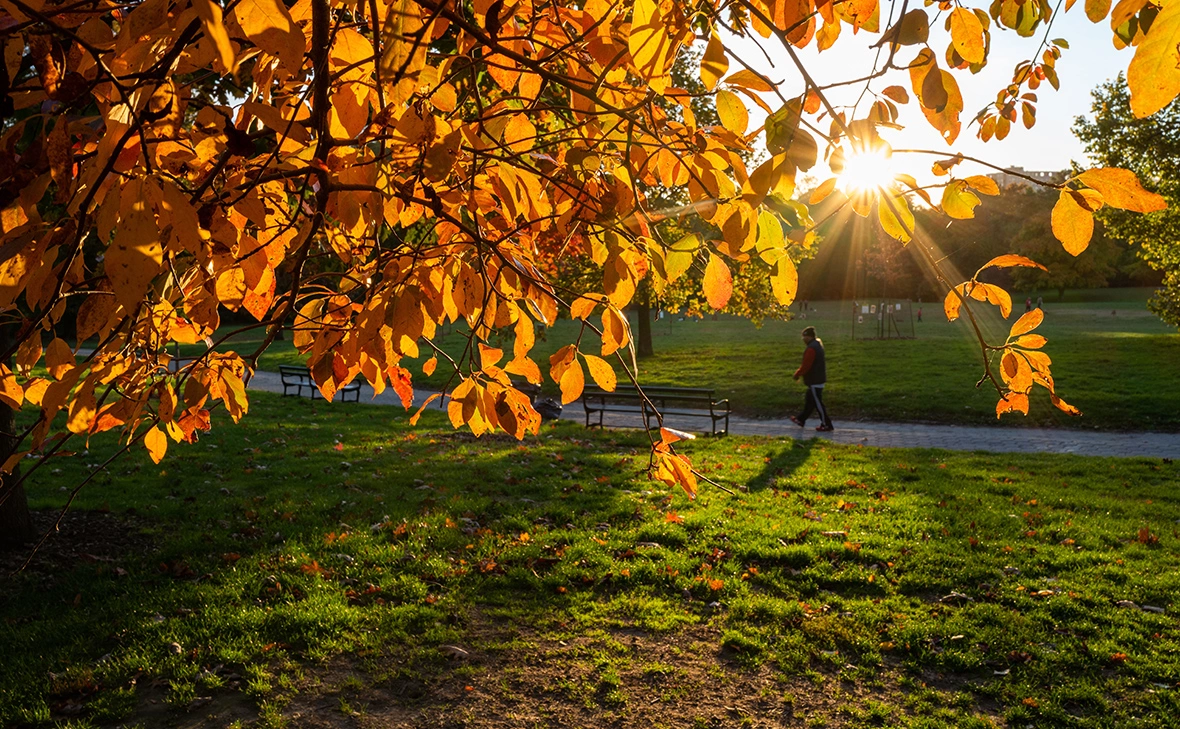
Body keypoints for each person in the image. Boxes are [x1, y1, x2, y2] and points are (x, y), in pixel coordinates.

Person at [789, 326, 833, 432]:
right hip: (818, 378)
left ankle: (826, 424)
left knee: (818, 403)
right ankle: (801, 419)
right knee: (810, 401)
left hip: (815, 380)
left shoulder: (811, 348)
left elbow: (806, 365)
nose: (803, 339)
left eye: (804, 337)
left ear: (808, 337)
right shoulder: (817, 344)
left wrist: (797, 374)